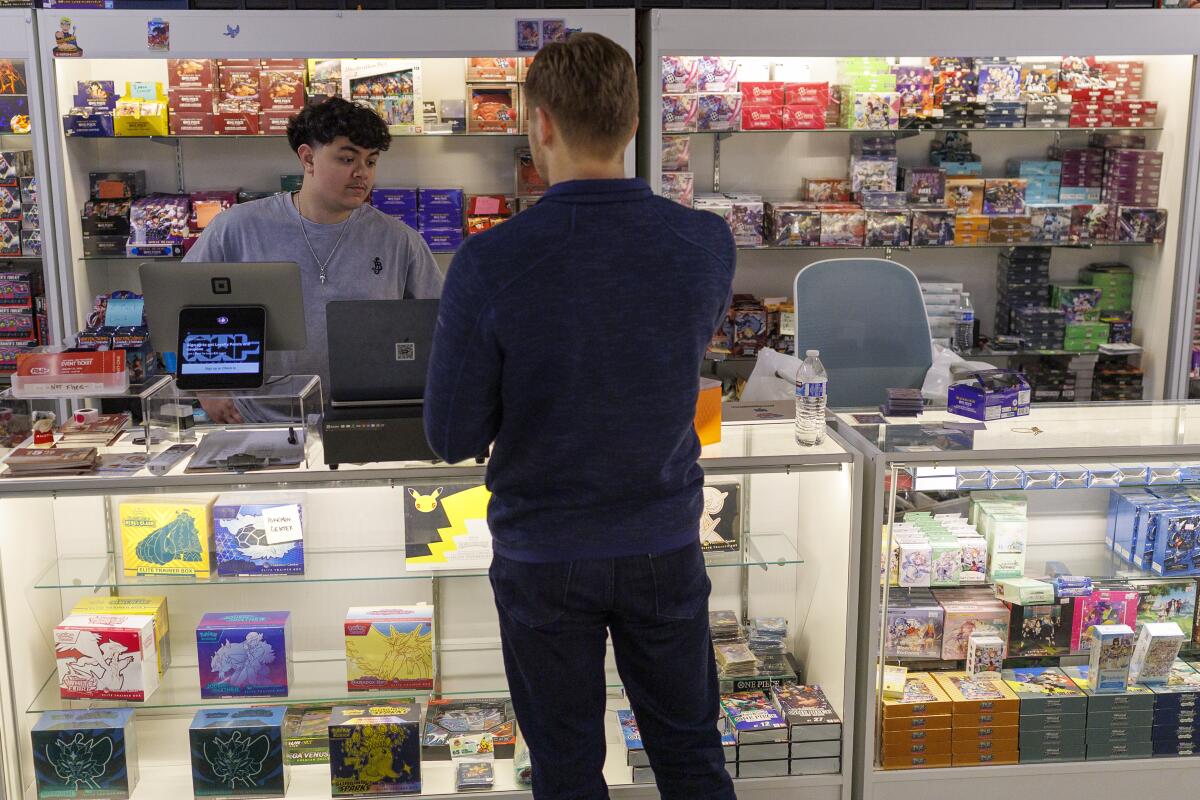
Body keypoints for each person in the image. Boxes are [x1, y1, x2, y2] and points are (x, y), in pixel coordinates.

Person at [424, 33, 736, 800]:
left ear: (540, 125)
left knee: (564, 769)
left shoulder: (492, 260)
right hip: (664, 539)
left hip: (544, 550)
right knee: (691, 756)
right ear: (632, 124)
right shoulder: (704, 243)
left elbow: (452, 434)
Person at [183, 97, 442, 422]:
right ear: (307, 158)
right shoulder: (237, 228)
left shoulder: (399, 240)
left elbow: (440, 325)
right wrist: (208, 388)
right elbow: (186, 308)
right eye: (347, 159)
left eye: (371, 162)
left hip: (366, 420)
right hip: (257, 419)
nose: (361, 173)